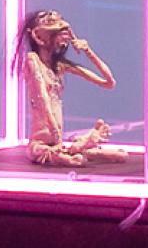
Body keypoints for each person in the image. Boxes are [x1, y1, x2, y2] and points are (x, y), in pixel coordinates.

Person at [14, 9, 126, 166]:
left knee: (120, 156)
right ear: (38, 36)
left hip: (58, 142)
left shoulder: (59, 65)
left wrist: (88, 51)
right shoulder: (33, 60)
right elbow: (43, 99)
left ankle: (77, 149)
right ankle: (71, 153)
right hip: (42, 143)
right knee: (55, 155)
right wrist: (56, 135)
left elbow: (108, 82)